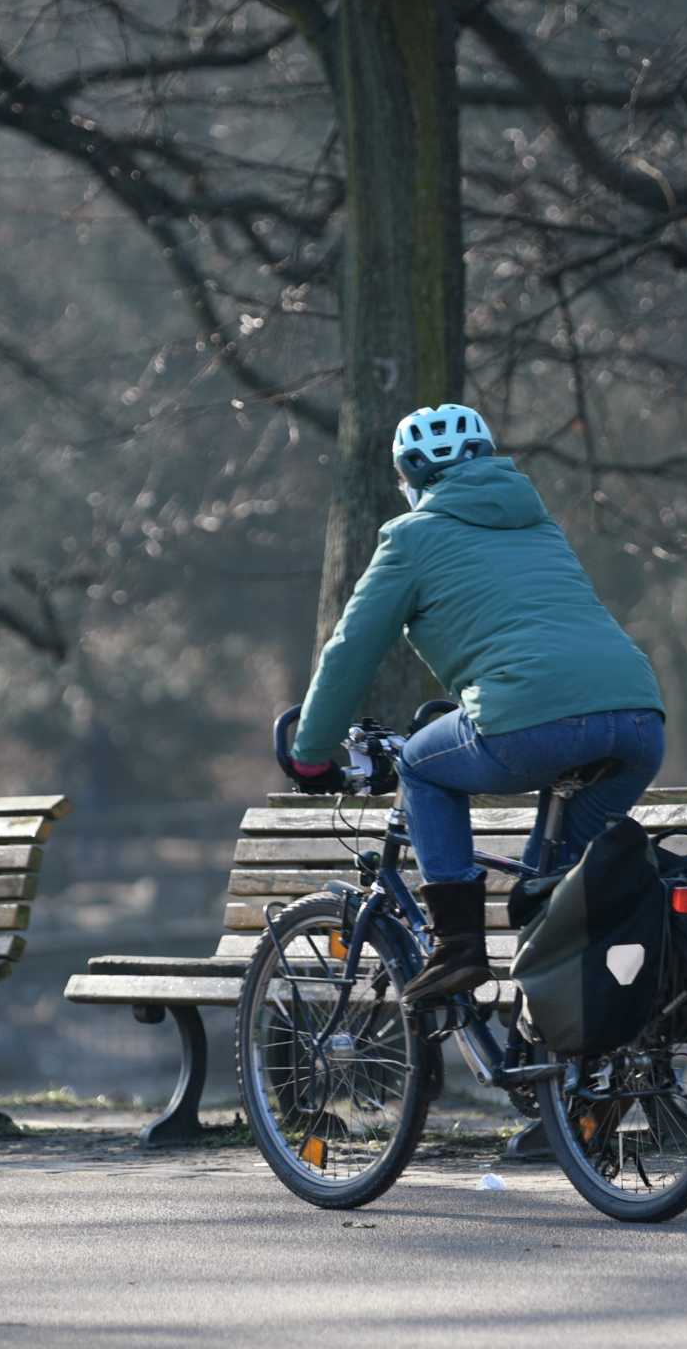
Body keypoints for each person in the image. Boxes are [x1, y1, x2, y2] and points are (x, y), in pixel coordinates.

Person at [284, 403, 665, 1007]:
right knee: (553, 898)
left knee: (419, 764)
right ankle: (577, 1074)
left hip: (529, 720)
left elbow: (350, 650)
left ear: (410, 476)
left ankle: (458, 945)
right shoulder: (538, 525)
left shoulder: (411, 536)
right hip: (640, 719)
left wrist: (309, 752)